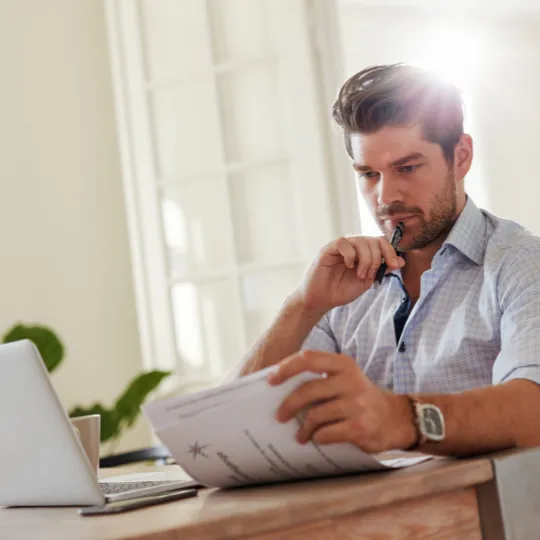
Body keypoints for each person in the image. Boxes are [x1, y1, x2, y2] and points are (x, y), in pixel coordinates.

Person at [237, 63, 540, 457]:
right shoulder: (344, 288)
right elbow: (231, 425)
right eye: (368, 174)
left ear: (461, 156)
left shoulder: (522, 265)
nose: (385, 197)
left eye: (407, 167)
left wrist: (403, 418)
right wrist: (303, 305)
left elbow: (533, 411)